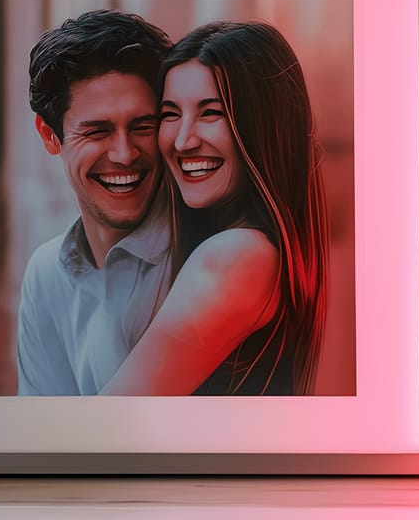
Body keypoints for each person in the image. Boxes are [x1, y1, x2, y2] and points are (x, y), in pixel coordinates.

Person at [101, 20, 329, 397]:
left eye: (211, 113)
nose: (183, 140)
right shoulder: (270, 249)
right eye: (170, 114)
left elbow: (110, 424)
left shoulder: (234, 257)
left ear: (263, 126)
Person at [16, 8, 172, 395]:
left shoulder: (204, 256)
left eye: (143, 126)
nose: (124, 154)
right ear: (50, 136)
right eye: (97, 131)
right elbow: (44, 437)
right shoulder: (45, 274)